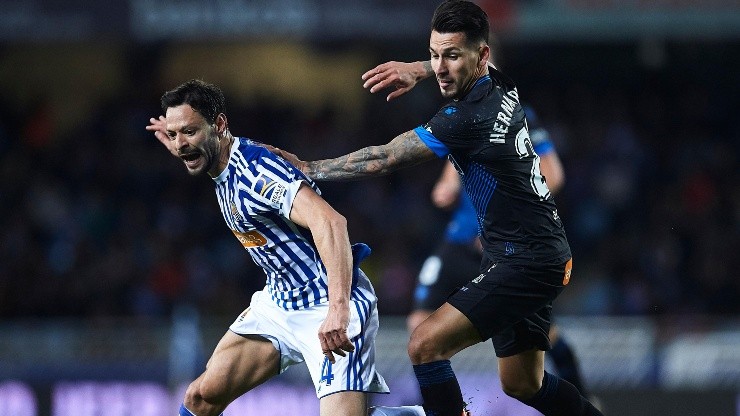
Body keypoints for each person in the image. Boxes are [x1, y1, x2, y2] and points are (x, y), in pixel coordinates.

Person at [272, 1, 603, 415]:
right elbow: (457, 62)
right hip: (537, 252)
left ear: (481, 56)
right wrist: (420, 67)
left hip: (525, 261)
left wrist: (310, 167)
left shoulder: (464, 118)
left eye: (451, 56)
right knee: (523, 383)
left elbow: (385, 157)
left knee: (424, 344)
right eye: (435, 54)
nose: (441, 67)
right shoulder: (503, 84)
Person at [145, 79, 389, 416]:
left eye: (189, 132)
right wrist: (181, 139)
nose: (181, 144)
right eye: (174, 135)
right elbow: (192, 147)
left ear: (219, 125)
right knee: (200, 397)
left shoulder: (256, 173)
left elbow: (331, 222)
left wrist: (337, 308)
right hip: (278, 304)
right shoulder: (218, 158)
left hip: (327, 303)